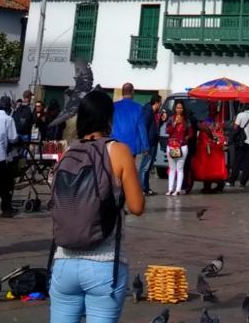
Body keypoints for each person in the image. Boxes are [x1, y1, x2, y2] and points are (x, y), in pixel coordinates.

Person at [48, 89, 145, 323]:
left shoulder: (69, 151)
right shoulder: (119, 151)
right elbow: (137, 206)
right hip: (104, 263)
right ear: (109, 118)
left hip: (63, 262)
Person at [111, 84, 150, 185]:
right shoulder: (138, 108)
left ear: (122, 92)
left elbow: (109, 125)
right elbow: (142, 129)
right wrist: (145, 147)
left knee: (115, 170)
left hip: (116, 144)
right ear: (133, 92)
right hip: (132, 146)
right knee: (129, 171)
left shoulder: (114, 106)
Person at [164, 100, 193, 196]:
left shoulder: (186, 120)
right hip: (171, 146)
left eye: (180, 108)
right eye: (177, 108)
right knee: (172, 168)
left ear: (183, 109)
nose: (179, 109)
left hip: (182, 147)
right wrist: (174, 123)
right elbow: (168, 131)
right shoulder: (171, 119)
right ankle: (170, 189)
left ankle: (178, 190)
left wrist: (184, 139)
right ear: (175, 109)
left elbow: (190, 133)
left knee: (180, 169)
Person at [230, 99, 249, 188]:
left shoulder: (240, 115)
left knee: (237, 162)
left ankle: (232, 181)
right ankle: (243, 183)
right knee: (247, 163)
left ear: (243, 106)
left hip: (240, 143)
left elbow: (235, 128)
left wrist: (234, 122)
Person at [140, 92, 161, 193]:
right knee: (145, 166)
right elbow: (143, 128)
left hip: (153, 142)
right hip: (148, 143)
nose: (160, 106)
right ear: (156, 103)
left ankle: (146, 187)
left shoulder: (154, 114)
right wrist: (145, 145)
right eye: (160, 103)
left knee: (148, 167)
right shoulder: (148, 112)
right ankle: (142, 188)